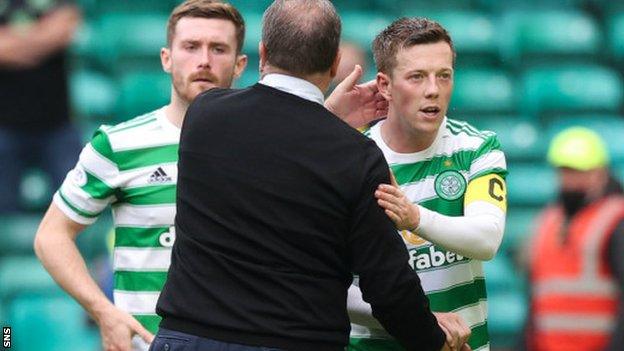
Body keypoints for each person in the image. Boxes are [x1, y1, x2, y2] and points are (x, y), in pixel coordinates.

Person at [34, 1, 394, 351]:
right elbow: (52, 235)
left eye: (218, 49)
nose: (204, 60)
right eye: (191, 47)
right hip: (147, 340)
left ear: (242, 64)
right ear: (166, 57)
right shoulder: (119, 144)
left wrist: (326, 118)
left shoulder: (268, 142)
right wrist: (103, 311)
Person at [153, 1, 469, 351]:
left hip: (189, 338)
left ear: (262, 52)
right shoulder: (356, 157)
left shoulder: (204, 115)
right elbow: (388, 286)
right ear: (335, 63)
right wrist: (435, 340)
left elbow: (272, 147)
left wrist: (329, 117)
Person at [346, 18, 508, 351]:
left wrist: (414, 217)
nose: (433, 89)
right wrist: (421, 318)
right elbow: (331, 285)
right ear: (385, 85)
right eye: (417, 77)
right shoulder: (352, 156)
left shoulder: (476, 148)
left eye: (443, 75)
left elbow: (486, 239)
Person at [523, 127, 624, 351]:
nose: (570, 180)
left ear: (601, 173)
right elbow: (536, 296)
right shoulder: (548, 220)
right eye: (565, 171)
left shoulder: (616, 220)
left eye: (579, 172)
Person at [0, 0, 82, 212]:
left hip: (58, 126)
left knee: (77, 208)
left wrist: (12, 41)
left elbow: (65, 29)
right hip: (4, 128)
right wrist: (43, 37)